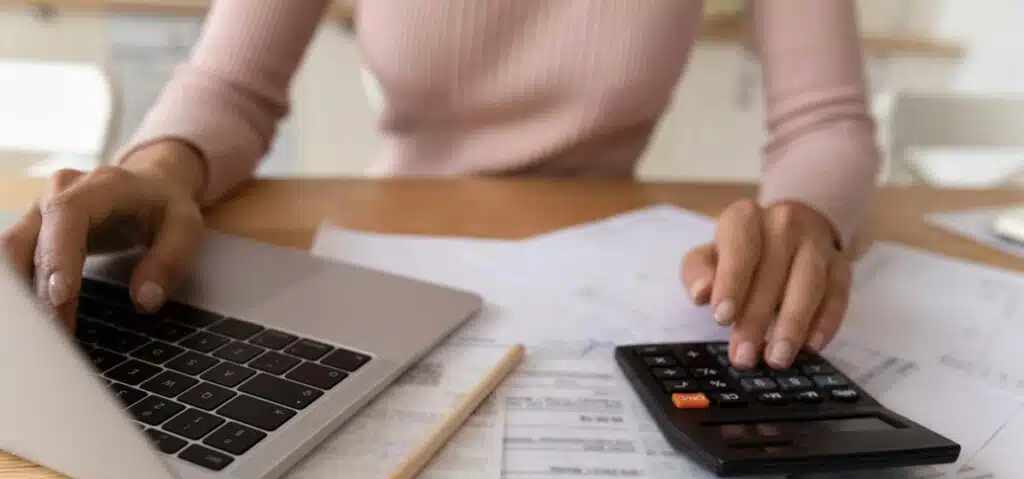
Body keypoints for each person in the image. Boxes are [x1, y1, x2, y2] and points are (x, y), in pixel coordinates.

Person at [0, 0, 879, 370]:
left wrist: (804, 218)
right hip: (390, 267)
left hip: (625, 286)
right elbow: (231, 84)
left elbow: (826, 120)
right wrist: (160, 168)